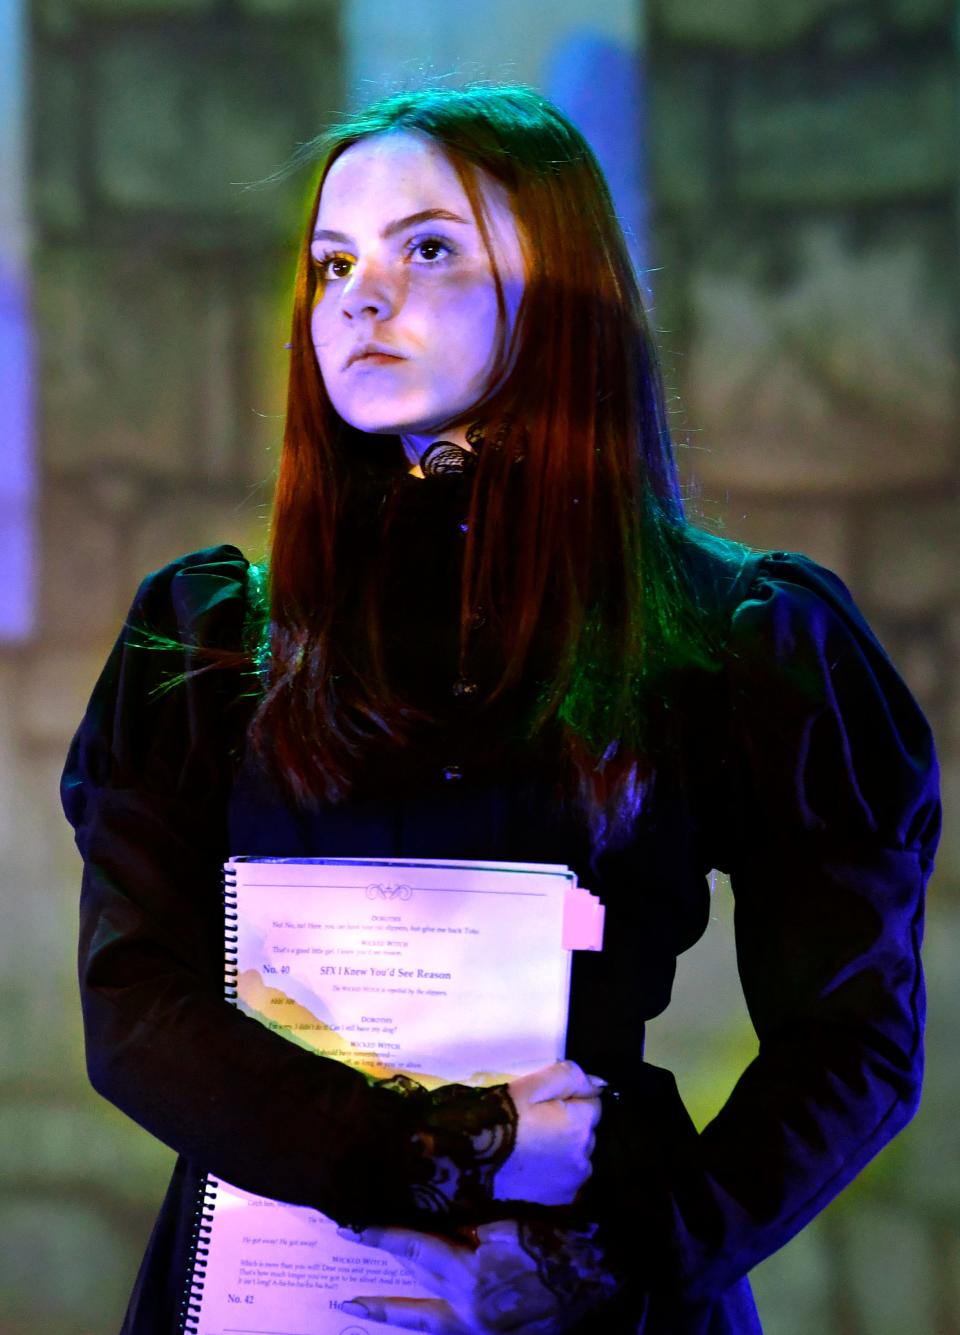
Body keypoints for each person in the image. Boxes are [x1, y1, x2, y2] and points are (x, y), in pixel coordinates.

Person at [61, 85, 940, 1335]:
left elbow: (853, 1040)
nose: (361, 296)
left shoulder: (739, 636)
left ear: (565, 289)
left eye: (428, 248)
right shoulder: (210, 635)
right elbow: (134, 1008)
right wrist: (447, 1147)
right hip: (276, 1277)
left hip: (593, 1278)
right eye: (332, 262)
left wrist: (627, 1258)